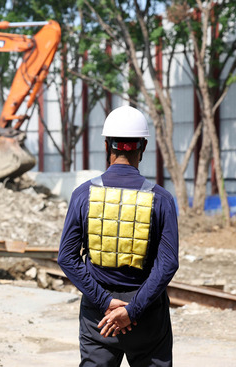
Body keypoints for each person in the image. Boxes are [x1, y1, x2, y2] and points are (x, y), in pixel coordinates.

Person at [57, 106, 179, 367]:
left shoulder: (82, 195)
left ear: (106, 146)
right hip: (146, 312)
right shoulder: (162, 199)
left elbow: (67, 258)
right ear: (143, 147)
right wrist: (131, 310)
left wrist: (105, 302)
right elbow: (167, 263)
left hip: (98, 315)